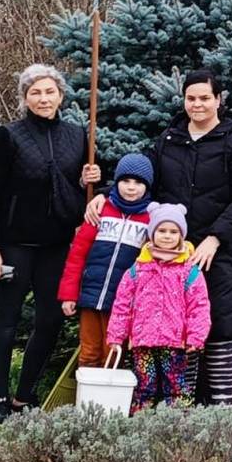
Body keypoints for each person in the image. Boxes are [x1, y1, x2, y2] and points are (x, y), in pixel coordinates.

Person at [87, 69, 232, 406]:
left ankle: (220, 412)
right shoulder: (170, 139)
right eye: (191, 98)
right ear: (184, 100)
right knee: (177, 331)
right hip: (169, 252)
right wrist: (106, 193)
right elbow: (142, 178)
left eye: (204, 98)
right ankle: (181, 409)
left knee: (222, 327)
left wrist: (215, 238)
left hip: (216, 250)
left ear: (218, 100)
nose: (197, 104)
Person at [0, 64, 99, 424]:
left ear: (61, 96)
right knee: (7, 318)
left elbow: (87, 191)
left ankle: (24, 395)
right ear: (25, 98)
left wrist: (90, 179)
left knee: (49, 319)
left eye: (49, 92)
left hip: (57, 244)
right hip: (15, 243)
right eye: (35, 93)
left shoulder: (78, 136)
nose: (43, 99)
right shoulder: (10, 136)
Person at [106, 203, 211, 414]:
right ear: (152, 233)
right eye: (162, 231)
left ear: (181, 236)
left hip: (175, 342)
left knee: (176, 386)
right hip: (142, 341)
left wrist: (196, 336)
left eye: (173, 232)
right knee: (144, 385)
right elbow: (122, 306)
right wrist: (116, 337)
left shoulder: (189, 272)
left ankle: (177, 424)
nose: (167, 236)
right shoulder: (137, 270)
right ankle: (141, 422)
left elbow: (199, 306)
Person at [57, 153, 153, 375]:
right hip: (91, 296)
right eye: (125, 181)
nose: (131, 187)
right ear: (116, 182)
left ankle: (107, 403)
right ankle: (85, 402)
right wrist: (69, 295)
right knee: (89, 350)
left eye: (138, 182)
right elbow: (77, 255)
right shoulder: (101, 211)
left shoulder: (150, 219)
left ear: (147, 187)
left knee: (111, 352)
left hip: (121, 303)